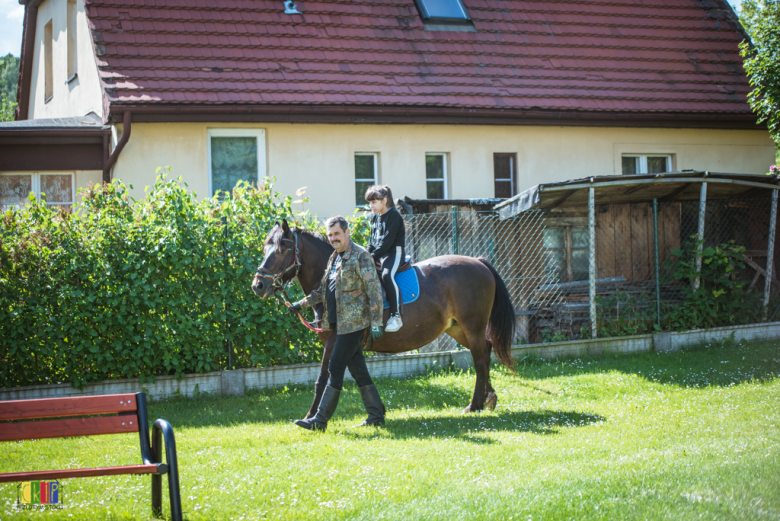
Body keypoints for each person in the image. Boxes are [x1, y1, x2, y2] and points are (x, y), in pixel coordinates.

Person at [288, 216, 385, 431]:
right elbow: (323, 291)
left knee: (335, 366)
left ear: (347, 232)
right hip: (337, 324)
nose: (333, 238)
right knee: (359, 370)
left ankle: (319, 420)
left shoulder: (361, 256)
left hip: (354, 324)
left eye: (337, 234)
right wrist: (300, 304)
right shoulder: (334, 258)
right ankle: (376, 415)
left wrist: (376, 322)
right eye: (330, 234)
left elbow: (375, 292)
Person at [365, 185, 406, 332]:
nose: (371, 206)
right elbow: (372, 242)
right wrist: (365, 255)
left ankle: (395, 316)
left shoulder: (394, 215)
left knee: (387, 275)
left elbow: (386, 242)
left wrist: (372, 256)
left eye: (374, 202)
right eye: (370, 203)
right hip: (380, 253)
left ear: (384, 200)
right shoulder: (375, 217)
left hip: (394, 253)